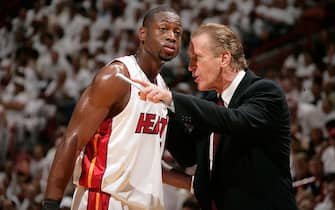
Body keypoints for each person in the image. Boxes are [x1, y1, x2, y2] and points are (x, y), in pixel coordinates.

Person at [135, 23, 298, 210]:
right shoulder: (211, 103)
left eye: (197, 59)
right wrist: (163, 108)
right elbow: (188, 156)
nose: (190, 67)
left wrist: (172, 99)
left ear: (224, 58)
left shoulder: (265, 92)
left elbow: (236, 121)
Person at [42, 5, 183, 210]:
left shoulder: (162, 88)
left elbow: (148, 165)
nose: (172, 36)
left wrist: (194, 183)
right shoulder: (116, 77)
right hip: (105, 201)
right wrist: (50, 204)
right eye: (163, 29)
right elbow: (72, 141)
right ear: (142, 34)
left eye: (177, 32)